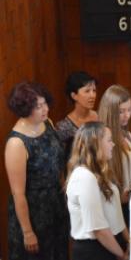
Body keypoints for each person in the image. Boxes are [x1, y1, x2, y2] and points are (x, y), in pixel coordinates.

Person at [5, 82, 68, 260]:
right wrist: (27, 232)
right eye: (38, 106)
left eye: (44, 103)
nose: (45, 109)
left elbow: (58, 161)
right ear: (24, 109)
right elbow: (18, 194)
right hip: (34, 212)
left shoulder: (47, 123)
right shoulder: (16, 143)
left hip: (56, 204)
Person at [66, 122, 129, 260]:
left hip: (111, 243)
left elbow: (116, 215)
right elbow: (98, 229)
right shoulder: (84, 176)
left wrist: (129, 241)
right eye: (109, 140)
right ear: (96, 144)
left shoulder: (100, 171)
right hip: (95, 250)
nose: (113, 144)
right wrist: (121, 255)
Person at [98, 85, 131, 225]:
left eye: (129, 109)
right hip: (118, 207)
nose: (127, 115)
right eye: (121, 111)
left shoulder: (127, 135)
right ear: (110, 112)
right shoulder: (103, 140)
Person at [56, 71, 98, 158]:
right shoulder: (64, 127)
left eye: (94, 90)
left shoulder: (101, 116)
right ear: (74, 95)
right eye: (87, 91)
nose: (92, 95)